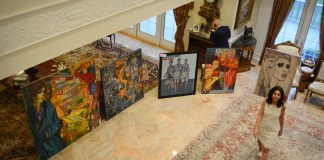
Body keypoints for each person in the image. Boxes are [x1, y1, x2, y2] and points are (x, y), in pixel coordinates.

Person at [28, 81, 65, 159]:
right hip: (40, 146)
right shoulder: (30, 111)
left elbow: (57, 124)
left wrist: (46, 134)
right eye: (39, 92)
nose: (42, 94)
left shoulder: (49, 107)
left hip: (52, 143)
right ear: (33, 94)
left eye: (43, 91)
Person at [253, 86, 286, 160]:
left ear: (281, 96)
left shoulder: (282, 106)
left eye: (278, 94)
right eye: (275, 93)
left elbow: (281, 118)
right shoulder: (265, 101)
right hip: (262, 126)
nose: (276, 96)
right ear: (271, 93)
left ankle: (263, 153)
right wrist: (256, 127)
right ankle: (260, 149)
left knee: (266, 149)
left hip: (273, 130)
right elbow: (260, 114)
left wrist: (281, 129)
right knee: (260, 139)